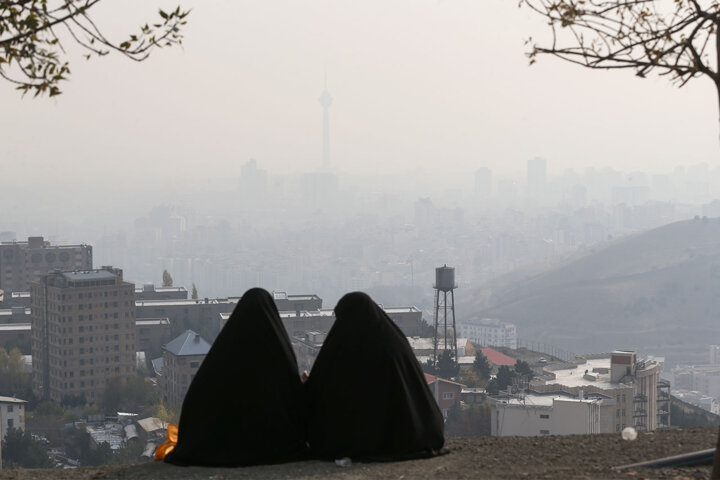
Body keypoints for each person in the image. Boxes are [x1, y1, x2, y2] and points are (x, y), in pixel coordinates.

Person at [164, 288, 307, 466]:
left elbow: (195, 414)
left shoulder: (218, 364)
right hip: (273, 449)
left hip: (212, 450)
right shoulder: (279, 357)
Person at [304, 291, 445, 461]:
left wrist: (307, 387)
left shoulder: (341, 349)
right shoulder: (395, 344)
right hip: (410, 435)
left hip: (353, 441)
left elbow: (323, 400)